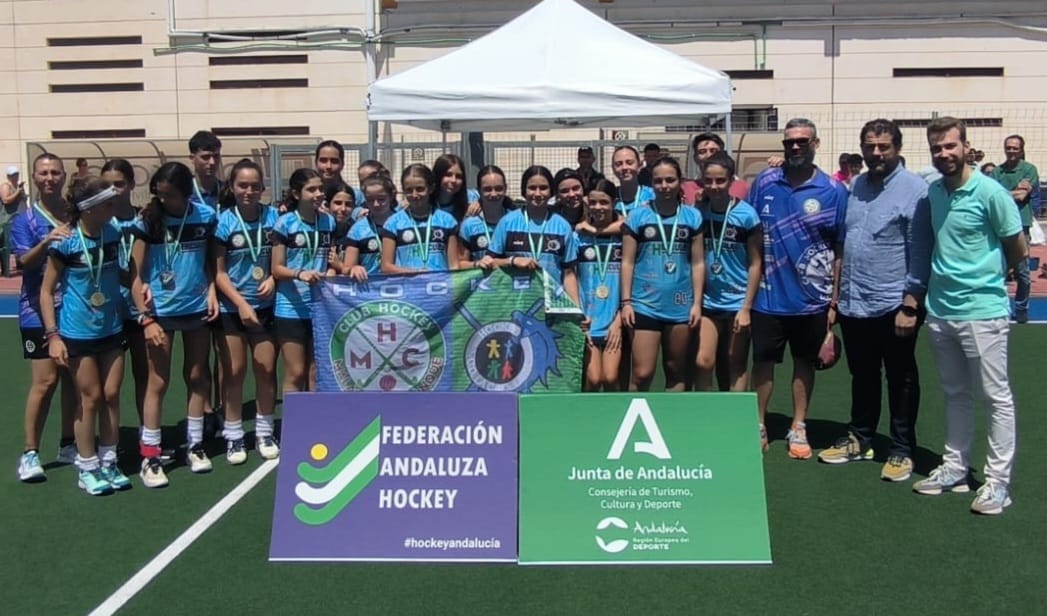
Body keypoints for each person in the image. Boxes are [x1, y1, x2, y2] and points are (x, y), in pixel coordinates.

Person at [907, 116, 1026, 515]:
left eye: (950, 146)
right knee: (955, 394)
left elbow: (1018, 247)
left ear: (965, 146)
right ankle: (955, 467)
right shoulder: (934, 193)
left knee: (995, 397)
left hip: (983, 312)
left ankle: (997, 483)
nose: (944, 154)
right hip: (941, 311)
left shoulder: (990, 192)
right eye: (937, 148)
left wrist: (989, 278)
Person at [818, 119, 927, 482]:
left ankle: (901, 449)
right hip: (855, 300)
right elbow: (844, 245)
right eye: (870, 146)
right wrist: (837, 299)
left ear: (897, 148)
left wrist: (910, 304)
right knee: (862, 374)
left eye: (883, 147)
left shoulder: (915, 190)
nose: (876, 153)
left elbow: (921, 250)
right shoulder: (856, 186)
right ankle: (860, 438)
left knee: (901, 377)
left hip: (894, 303)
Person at [749, 118, 847, 458]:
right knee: (763, 363)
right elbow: (749, 234)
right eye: (789, 142)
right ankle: (759, 423)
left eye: (801, 142)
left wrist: (834, 299)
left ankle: (798, 426)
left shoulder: (833, 192)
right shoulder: (765, 182)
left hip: (812, 301)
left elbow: (840, 250)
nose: (794, 147)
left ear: (815, 144)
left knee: (804, 363)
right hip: (766, 296)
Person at [130, 162, 220, 487]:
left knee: (197, 376)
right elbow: (135, 275)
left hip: (196, 307)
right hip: (160, 312)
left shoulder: (205, 217)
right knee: (158, 382)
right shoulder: (147, 221)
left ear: (185, 192)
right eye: (159, 193)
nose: (163, 199)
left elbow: (211, 263)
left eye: (169, 195)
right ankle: (150, 456)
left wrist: (211, 290)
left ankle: (194, 445)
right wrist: (146, 318)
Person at [40, 177, 129, 495]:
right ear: (89, 208)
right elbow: (47, 291)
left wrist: (140, 286)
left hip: (112, 327)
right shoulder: (65, 242)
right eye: (107, 203)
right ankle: (87, 467)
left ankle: (109, 461)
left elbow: (119, 271)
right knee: (89, 399)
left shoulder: (112, 232)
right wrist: (53, 336)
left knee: (112, 395)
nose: (113, 207)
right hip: (77, 332)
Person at [12, 153, 78, 482]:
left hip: (75, 310)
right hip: (36, 311)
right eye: (44, 173)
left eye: (55, 172)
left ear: (64, 176)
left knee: (72, 379)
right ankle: (30, 452)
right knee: (45, 381)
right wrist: (47, 241)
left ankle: (69, 445)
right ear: (35, 178)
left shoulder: (75, 215)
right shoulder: (24, 220)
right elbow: (21, 263)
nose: (50, 178)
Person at [214, 159, 281, 464]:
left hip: (266, 307)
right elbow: (218, 273)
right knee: (234, 372)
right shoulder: (223, 222)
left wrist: (272, 278)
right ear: (232, 187)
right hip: (232, 307)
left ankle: (265, 431)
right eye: (243, 185)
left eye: (255, 186)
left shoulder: (275, 218)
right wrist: (240, 304)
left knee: (266, 369)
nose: (249, 191)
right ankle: (234, 434)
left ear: (263, 188)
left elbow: (282, 259)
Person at [620, 157, 704, 392]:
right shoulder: (638, 216)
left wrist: (697, 303)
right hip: (644, 303)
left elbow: (698, 263)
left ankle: (673, 425)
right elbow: (627, 262)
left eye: (670, 180)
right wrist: (626, 302)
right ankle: (634, 424)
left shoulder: (692, 217)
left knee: (676, 369)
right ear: (652, 184)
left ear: (680, 182)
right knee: (642, 373)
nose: (664, 186)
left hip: (681, 305)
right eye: (658, 181)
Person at [695, 152, 761, 393]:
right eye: (708, 180)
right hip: (707, 302)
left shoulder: (746, 215)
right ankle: (704, 419)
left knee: (736, 362)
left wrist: (746, 308)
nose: (714, 186)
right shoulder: (699, 213)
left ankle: (733, 422)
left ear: (731, 180)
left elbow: (755, 263)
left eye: (720, 180)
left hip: (737, 302)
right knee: (703, 361)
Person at [271, 168, 333, 394]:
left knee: (315, 372)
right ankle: (293, 427)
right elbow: (276, 269)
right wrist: (300, 274)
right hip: (291, 308)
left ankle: (314, 426)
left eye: (320, 189)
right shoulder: (285, 223)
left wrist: (334, 272)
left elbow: (331, 258)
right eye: (312, 190)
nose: (318, 194)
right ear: (297, 194)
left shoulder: (328, 222)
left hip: (320, 308)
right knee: (295, 372)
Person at [487, 165, 581, 306]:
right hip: (513, 305)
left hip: (552, 306)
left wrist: (576, 308)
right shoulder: (507, 222)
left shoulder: (562, 226)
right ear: (524, 191)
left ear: (551, 192)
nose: (537, 193)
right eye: (532, 188)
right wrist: (512, 260)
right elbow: (489, 262)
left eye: (543, 188)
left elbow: (568, 273)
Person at [100, 159, 148, 427]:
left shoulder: (145, 221)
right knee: (108, 387)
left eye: (119, 184)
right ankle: (108, 443)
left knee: (145, 375)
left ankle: (147, 433)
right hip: (108, 314)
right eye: (107, 186)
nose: (113, 190)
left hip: (138, 309)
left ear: (131, 184)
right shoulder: (97, 225)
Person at [188, 130, 224, 439]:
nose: (211, 162)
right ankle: (206, 408)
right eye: (204, 156)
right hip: (195, 282)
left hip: (227, 277)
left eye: (215, 155)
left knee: (224, 352)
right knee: (198, 359)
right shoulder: (183, 194)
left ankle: (223, 407)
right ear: (193, 159)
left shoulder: (228, 192)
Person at [576, 179, 623, 391]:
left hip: (614, 318)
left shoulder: (625, 236)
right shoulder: (578, 236)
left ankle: (615, 422)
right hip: (588, 318)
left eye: (604, 202)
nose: (598, 208)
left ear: (614, 202)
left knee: (611, 377)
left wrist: (619, 320)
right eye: (593, 202)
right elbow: (570, 275)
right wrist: (578, 316)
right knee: (593, 379)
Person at [988, 134, 1039, 323]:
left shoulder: (1029, 169)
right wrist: (1012, 192)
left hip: (1020, 225)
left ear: (1021, 150)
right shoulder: (997, 172)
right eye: (1008, 147)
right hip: (998, 225)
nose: (1011, 151)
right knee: (997, 269)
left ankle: (1021, 307)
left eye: (1015, 148)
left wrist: (1003, 193)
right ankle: (997, 307)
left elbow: (1021, 196)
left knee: (1022, 272)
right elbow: (992, 196)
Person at [381, 164, 460, 273]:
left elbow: (454, 265)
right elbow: (386, 267)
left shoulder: (447, 221)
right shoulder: (393, 223)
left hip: (440, 286)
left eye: (420, 189)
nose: (414, 195)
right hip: (408, 286)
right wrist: (414, 274)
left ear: (431, 188)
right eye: (409, 190)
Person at [344, 174, 396, 281]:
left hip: (402, 287)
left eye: (381, 199)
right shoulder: (357, 230)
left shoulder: (404, 223)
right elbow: (346, 268)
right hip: (370, 290)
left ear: (391, 196)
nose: (376, 204)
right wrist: (353, 268)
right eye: (370, 200)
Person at [459, 165, 513, 266]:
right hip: (481, 281)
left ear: (505, 189)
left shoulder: (514, 222)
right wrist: (477, 264)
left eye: (498, 188)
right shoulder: (468, 226)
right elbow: (460, 264)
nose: (493, 194)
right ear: (479, 191)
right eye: (487, 189)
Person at [684, 133, 750, 205]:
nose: (708, 155)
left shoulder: (744, 188)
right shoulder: (685, 189)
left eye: (713, 151)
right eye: (702, 152)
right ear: (695, 158)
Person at [431, 154, 479, 222]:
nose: (454, 180)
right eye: (448, 175)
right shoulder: (426, 200)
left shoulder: (471, 197)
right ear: (438, 175)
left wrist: (481, 203)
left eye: (458, 176)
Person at [0, 165, 27, 277]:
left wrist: (22, 192)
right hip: (7, 220)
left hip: (19, 217)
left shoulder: (18, 186)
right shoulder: (6, 186)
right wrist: (17, 192)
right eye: (12, 175)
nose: (15, 177)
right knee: (6, 245)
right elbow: (6, 200)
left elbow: (24, 199)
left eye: (16, 174)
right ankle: (6, 269)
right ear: (8, 176)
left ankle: (20, 264)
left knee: (19, 242)